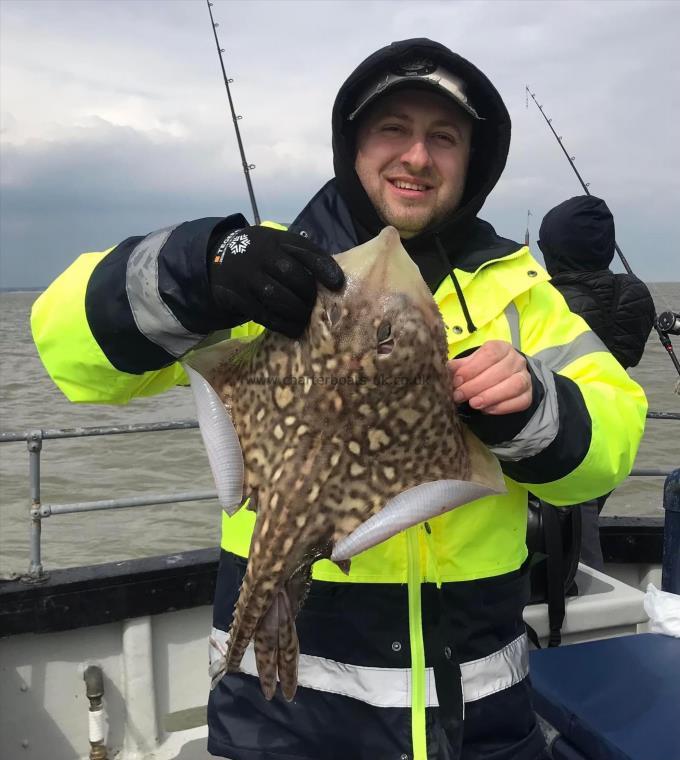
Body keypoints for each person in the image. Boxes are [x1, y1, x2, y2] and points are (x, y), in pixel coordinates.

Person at [31, 38, 647, 760]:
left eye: (443, 138)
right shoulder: (264, 265)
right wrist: (194, 272)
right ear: (351, 144)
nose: (417, 156)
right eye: (393, 129)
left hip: (477, 713)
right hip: (285, 721)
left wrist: (535, 409)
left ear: (471, 161)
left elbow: (612, 442)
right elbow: (66, 353)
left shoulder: (520, 291)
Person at [537, 195, 655, 568]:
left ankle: (582, 592)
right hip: (612, 426)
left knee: (574, 525)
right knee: (585, 509)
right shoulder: (635, 294)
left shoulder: (552, 301)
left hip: (569, 430)